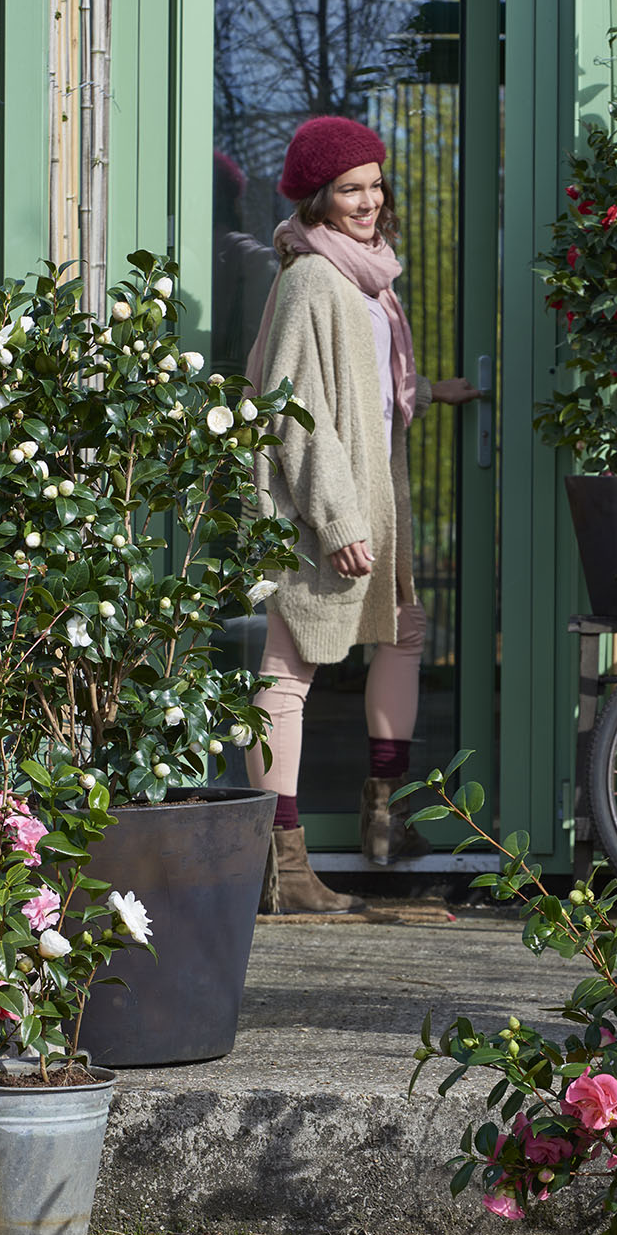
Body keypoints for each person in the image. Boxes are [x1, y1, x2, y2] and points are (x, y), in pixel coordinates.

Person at [244, 115, 477, 912]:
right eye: (351, 189)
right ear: (317, 198)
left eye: (376, 184)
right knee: (290, 667)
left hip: (376, 489)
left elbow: (372, 385)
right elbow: (292, 408)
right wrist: (337, 519)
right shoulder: (312, 278)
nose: (370, 200)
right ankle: (284, 865)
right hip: (323, 503)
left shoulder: (365, 275)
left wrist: (433, 392)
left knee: (403, 632)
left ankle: (384, 817)